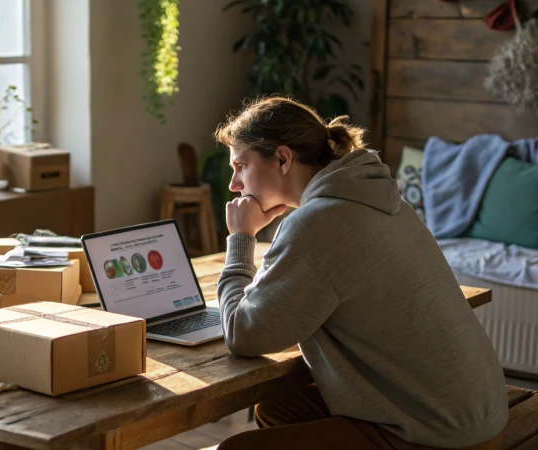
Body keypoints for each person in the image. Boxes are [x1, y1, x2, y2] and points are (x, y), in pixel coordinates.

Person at [214, 96, 508, 450]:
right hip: (475, 415)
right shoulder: (375, 197)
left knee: (238, 448)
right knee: (280, 407)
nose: (234, 183)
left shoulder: (319, 223)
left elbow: (244, 334)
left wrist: (241, 239)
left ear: (282, 158)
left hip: (442, 436)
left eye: (240, 165)